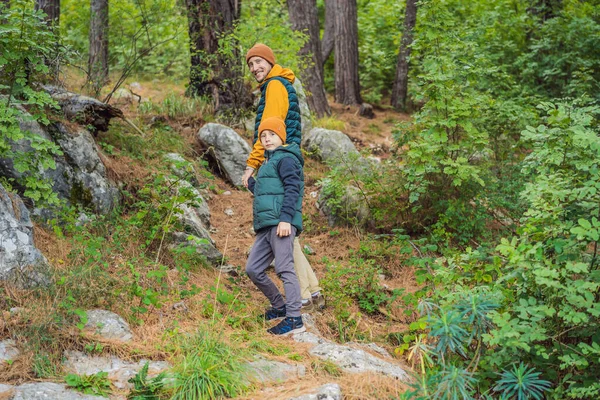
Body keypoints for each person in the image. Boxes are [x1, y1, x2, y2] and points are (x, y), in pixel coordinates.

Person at [243, 43, 325, 311]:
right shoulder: (276, 83)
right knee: (287, 232)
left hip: (279, 160)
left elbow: (269, 127)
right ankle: (313, 292)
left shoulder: (275, 86)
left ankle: (299, 300)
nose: (255, 68)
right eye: (250, 64)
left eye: (258, 62)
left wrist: (252, 164)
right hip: (283, 158)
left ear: (270, 61)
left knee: (284, 228)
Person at [246, 116, 305, 336]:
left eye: (272, 134)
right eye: (263, 136)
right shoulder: (267, 163)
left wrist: (286, 219)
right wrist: (252, 184)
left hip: (281, 223)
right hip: (266, 226)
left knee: (284, 268)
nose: (267, 139)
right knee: (253, 269)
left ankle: (295, 319)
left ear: (281, 136)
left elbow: (293, 190)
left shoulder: (286, 159)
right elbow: (269, 193)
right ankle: (279, 306)